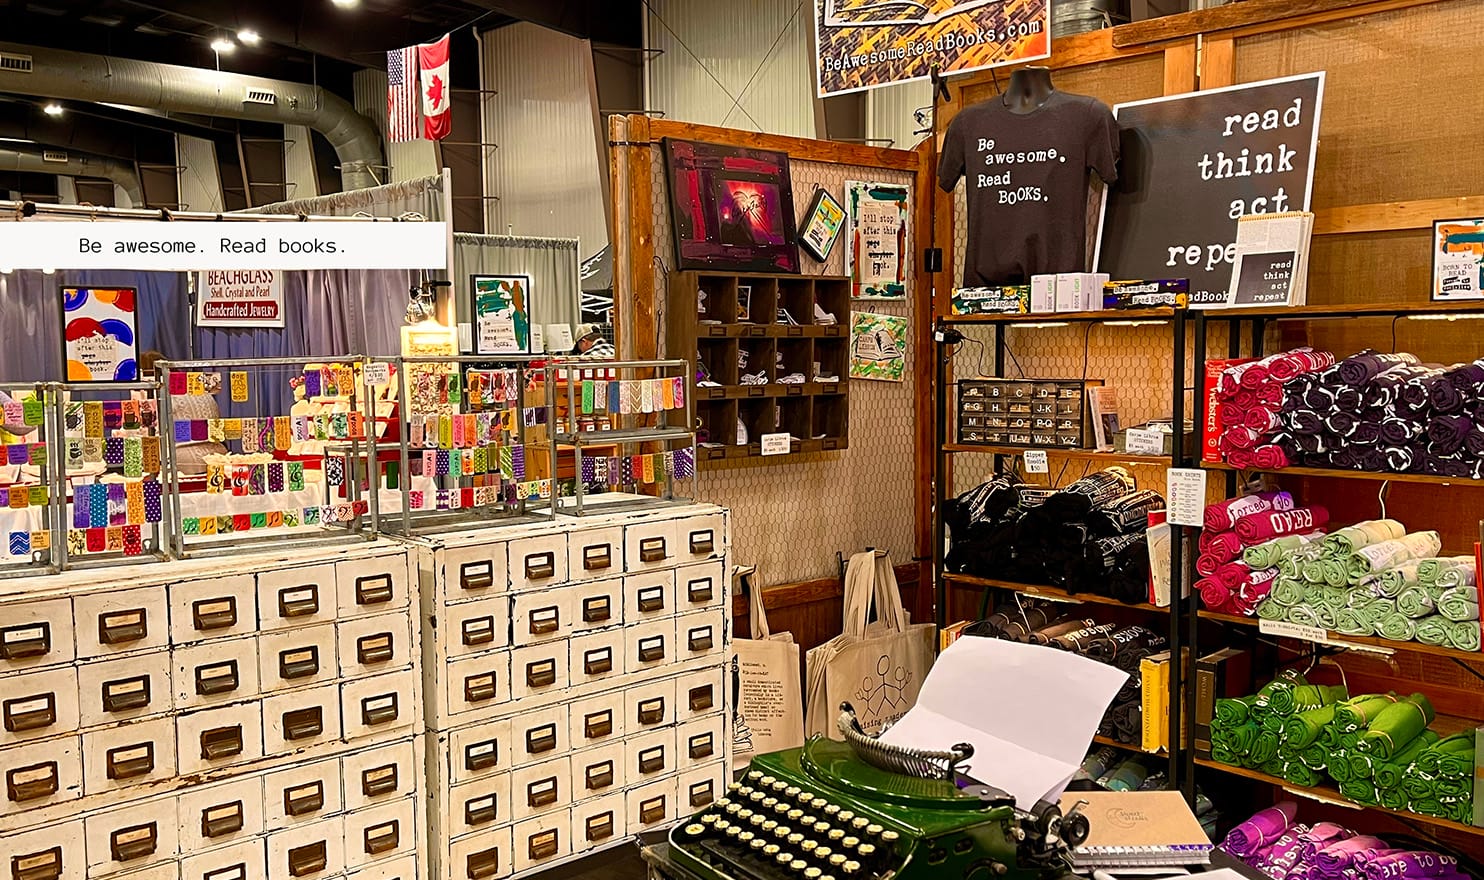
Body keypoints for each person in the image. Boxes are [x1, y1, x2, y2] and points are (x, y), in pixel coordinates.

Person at [138, 350, 227, 474]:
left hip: (179, 463)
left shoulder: (152, 392)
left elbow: (146, 433)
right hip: (220, 458)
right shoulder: (198, 387)